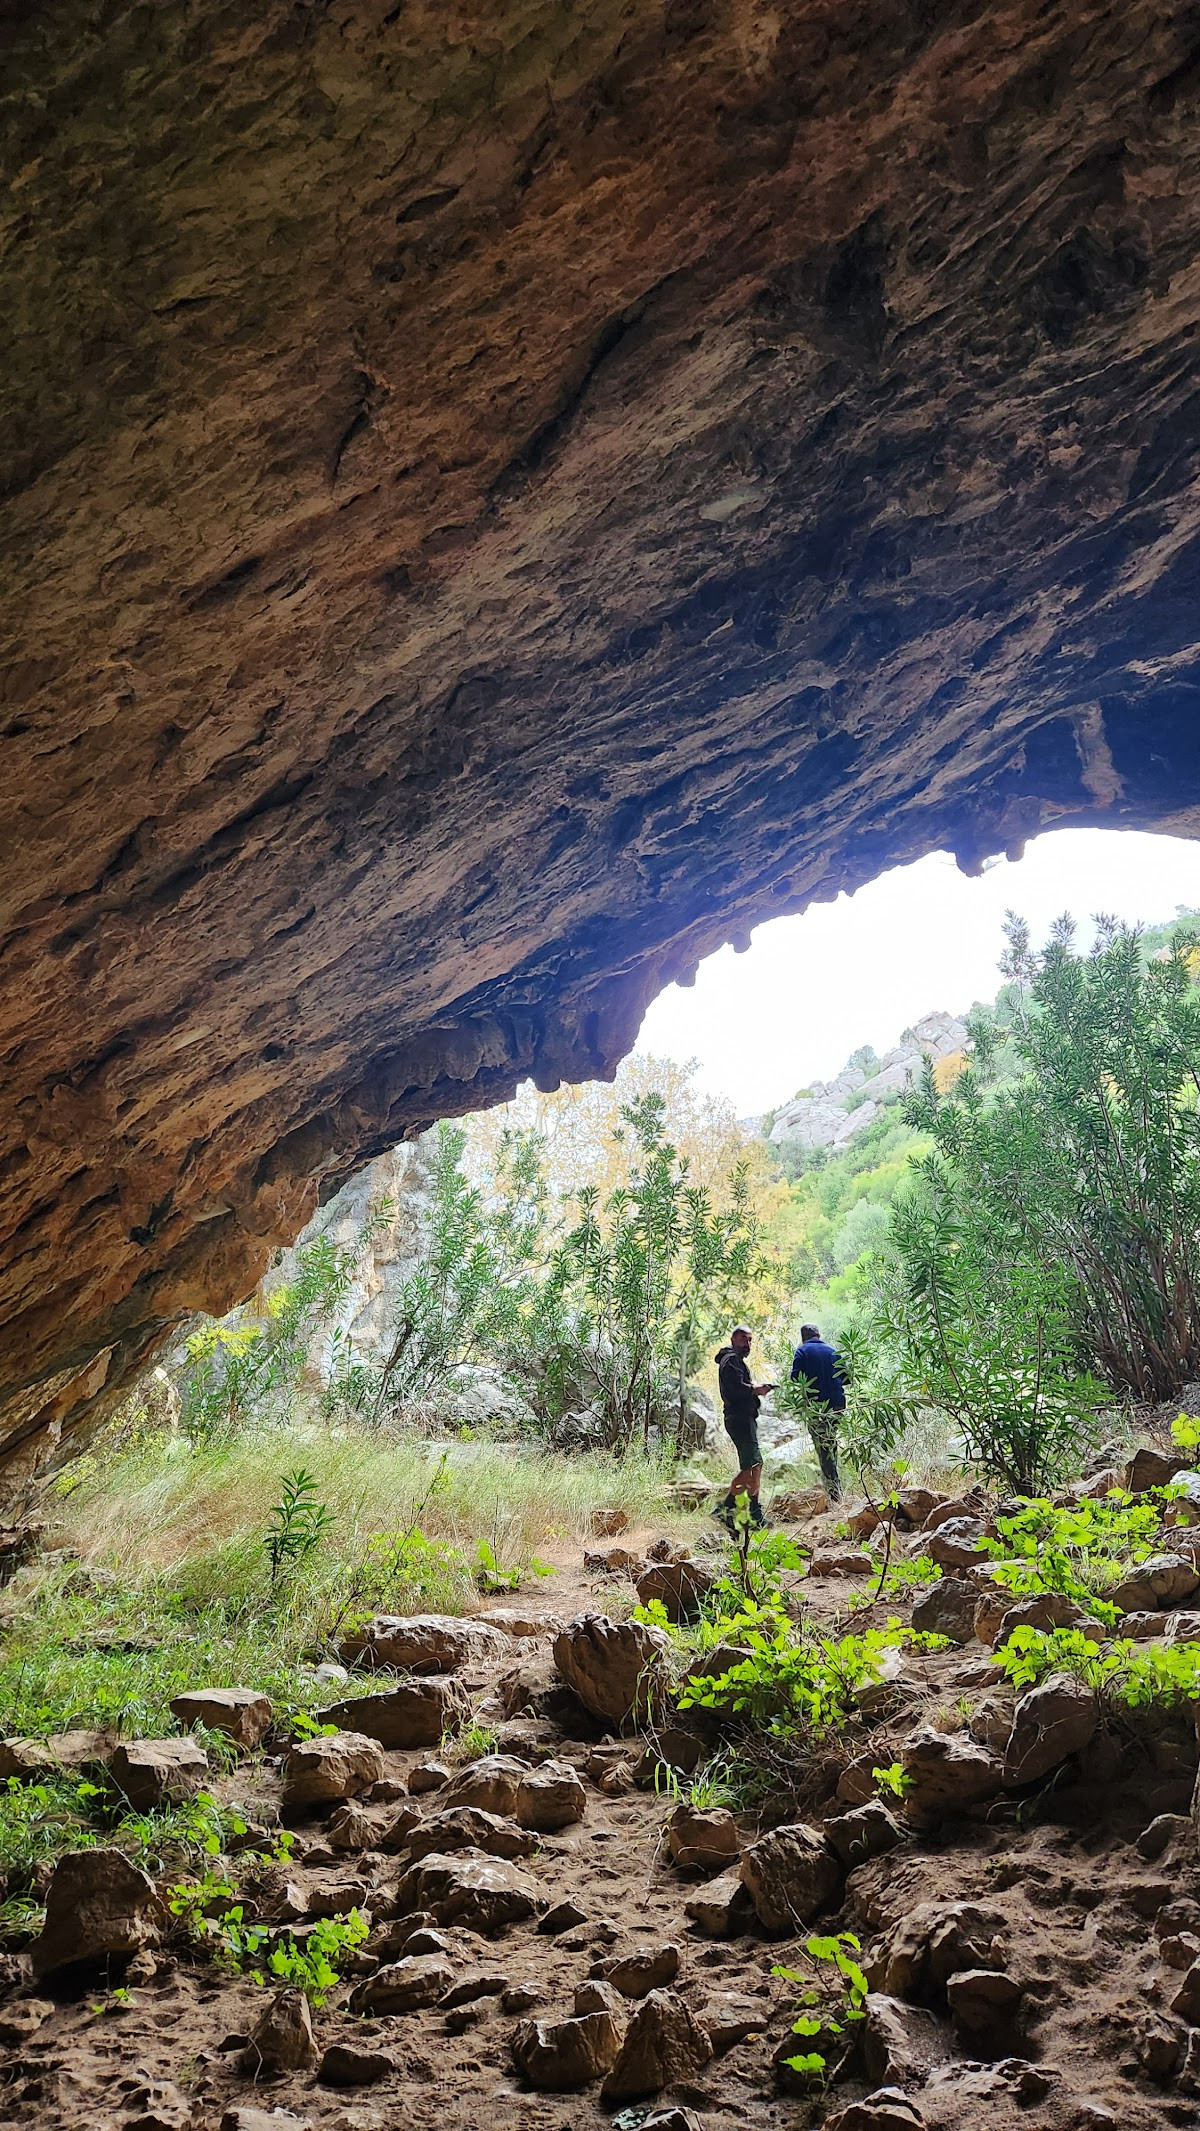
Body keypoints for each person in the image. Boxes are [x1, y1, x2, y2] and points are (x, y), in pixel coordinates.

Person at [713, 1325, 774, 1528]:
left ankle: (753, 1512)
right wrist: (756, 1390)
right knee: (751, 1468)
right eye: (743, 1339)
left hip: (743, 1418)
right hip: (739, 1419)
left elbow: (738, 1385)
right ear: (733, 1340)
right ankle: (727, 1510)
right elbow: (735, 1389)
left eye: (749, 1340)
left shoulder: (734, 1361)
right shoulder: (730, 1361)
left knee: (755, 1466)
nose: (747, 1344)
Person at [791, 1322, 846, 1499]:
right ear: (819, 1335)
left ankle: (833, 1491)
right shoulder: (833, 1351)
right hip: (837, 1405)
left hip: (816, 1406)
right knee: (830, 1442)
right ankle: (833, 1486)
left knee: (822, 1445)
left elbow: (795, 1378)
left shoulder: (802, 1351)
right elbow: (846, 1378)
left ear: (803, 1337)